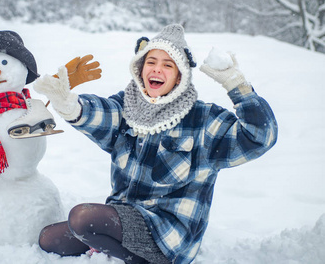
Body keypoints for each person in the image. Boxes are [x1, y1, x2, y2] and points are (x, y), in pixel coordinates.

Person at [33, 24, 278, 264]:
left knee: (81, 218)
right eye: (151, 62)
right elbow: (101, 115)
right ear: (140, 68)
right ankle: (116, 252)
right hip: (122, 220)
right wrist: (70, 105)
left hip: (168, 235)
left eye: (167, 64)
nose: (157, 69)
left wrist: (237, 85)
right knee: (49, 239)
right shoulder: (127, 106)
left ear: (179, 75)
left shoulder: (203, 120)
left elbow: (259, 137)